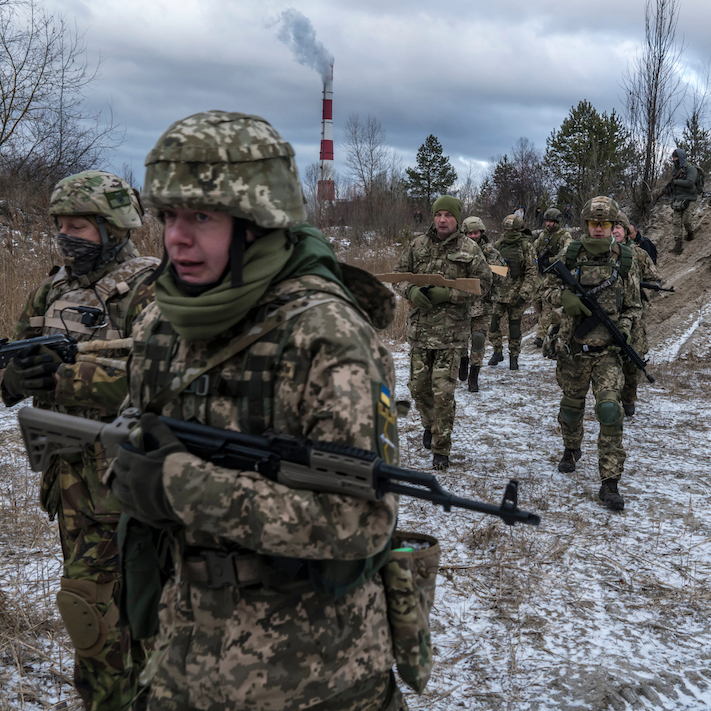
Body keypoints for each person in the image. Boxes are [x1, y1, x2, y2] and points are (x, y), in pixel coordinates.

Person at [108, 111, 407, 710]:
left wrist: (184, 488)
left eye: (201, 216)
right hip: (182, 654)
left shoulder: (328, 336)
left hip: (314, 671)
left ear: (257, 221)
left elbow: (359, 521)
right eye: (168, 216)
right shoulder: (163, 321)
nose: (175, 239)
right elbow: (129, 439)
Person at [0, 171, 159, 710]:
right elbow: (16, 361)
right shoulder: (53, 287)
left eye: (80, 226)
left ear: (113, 228)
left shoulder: (151, 286)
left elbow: (166, 380)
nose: (67, 235)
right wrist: (19, 379)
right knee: (90, 613)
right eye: (61, 225)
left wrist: (65, 378)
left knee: (135, 614)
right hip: (69, 485)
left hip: (130, 483)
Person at [553, 196, 641, 511]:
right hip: (575, 350)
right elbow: (543, 289)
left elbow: (632, 306)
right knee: (572, 407)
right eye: (594, 223)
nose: (600, 229)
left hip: (609, 352)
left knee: (609, 410)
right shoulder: (570, 254)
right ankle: (571, 449)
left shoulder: (625, 259)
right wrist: (564, 297)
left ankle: (610, 482)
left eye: (605, 224)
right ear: (586, 224)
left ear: (614, 225)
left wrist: (627, 329)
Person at [394, 196, 492, 469]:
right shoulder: (417, 245)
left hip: (451, 336)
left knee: (443, 393)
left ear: (457, 219)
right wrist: (410, 290)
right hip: (419, 333)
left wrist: (447, 294)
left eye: (449, 215)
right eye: (439, 214)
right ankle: (430, 424)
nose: (443, 219)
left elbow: (483, 285)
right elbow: (398, 276)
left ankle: (441, 448)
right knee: (418, 388)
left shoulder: (470, 249)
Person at [613, 211, 661, 416]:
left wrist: (641, 290)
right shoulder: (602, 255)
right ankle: (610, 401)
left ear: (626, 231)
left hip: (634, 316)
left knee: (633, 359)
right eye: (611, 227)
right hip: (609, 315)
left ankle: (629, 399)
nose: (615, 230)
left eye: (619, 227)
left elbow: (656, 280)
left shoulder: (639, 254)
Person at [461, 216, 505, 392]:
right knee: (462, 339)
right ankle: (463, 361)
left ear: (481, 233)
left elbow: (502, 278)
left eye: (476, 232)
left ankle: (474, 376)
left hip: (484, 303)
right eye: (469, 233)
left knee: (478, 339)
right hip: (461, 302)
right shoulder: (457, 251)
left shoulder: (491, 253)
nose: (473, 236)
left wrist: (485, 271)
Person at [488, 214, 536, 370]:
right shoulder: (498, 245)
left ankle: (514, 356)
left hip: (517, 294)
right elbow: (490, 268)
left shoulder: (526, 247)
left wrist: (524, 293)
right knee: (493, 324)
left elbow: (531, 272)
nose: (510, 233)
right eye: (507, 230)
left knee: (514, 327)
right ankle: (497, 351)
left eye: (513, 230)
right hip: (499, 293)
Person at [531, 208, 573, 348]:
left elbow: (567, 250)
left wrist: (553, 260)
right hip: (541, 275)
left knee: (546, 306)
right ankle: (556, 324)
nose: (548, 224)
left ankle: (540, 336)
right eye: (547, 221)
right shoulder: (542, 236)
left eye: (551, 222)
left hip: (555, 275)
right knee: (536, 302)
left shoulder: (564, 235)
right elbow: (534, 250)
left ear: (557, 222)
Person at [669, 147, 698, 254]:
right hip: (677, 199)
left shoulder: (691, 169)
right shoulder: (675, 171)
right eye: (673, 158)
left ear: (680, 157)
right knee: (676, 222)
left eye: (675, 157)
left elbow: (690, 182)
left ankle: (690, 233)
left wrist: (676, 182)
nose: (674, 160)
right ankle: (678, 244)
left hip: (690, 197)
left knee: (687, 221)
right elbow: (673, 187)